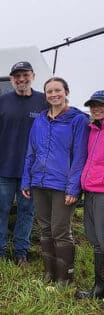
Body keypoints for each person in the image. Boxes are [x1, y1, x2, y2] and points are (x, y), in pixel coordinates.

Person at [21, 77, 89, 285]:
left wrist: (73, 188)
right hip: (39, 183)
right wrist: (26, 180)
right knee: (45, 229)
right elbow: (31, 152)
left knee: (61, 231)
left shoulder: (78, 120)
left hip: (62, 185)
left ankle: (64, 278)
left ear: (66, 92)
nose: (53, 94)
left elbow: (79, 156)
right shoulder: (40, 120)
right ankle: (49, 274)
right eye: (49, 91)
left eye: (57, 90)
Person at [0, 61, 47, 266]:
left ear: (33, 76)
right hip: (4, 169)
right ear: (11, 79)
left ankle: (21, 252)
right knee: (1, 210)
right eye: (17, 76)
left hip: (31, 171)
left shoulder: (43, 101)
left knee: (26, 212)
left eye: (25, 75)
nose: (21, 79)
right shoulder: (2, 101)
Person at [76, 91, 104, 299]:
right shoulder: (93, 129)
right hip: (90, 192)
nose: (96, 109)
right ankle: (99, 288)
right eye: (93, 105)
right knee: (95, 242)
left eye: (100, 105)